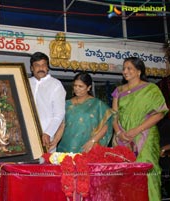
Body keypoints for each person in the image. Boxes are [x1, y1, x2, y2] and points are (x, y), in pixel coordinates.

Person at [112, 57, 168, 201]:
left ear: (139, 71)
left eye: (129, 68)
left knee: (147, 173)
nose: (125, 71)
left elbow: (160, 113)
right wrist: (119, 133)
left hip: (145, 136)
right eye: (124, 68)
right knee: (124, 176)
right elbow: (114, 115)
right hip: (122, 139)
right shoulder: (118, 91)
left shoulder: (151, 89)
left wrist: (136, 130)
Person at [52, 72, 115, 153]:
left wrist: (93, 141)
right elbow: (62, 125)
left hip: (86, 146)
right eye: (75, 85)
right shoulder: (66, 104)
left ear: (88, 88)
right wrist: (55, 142)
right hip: (66, 145)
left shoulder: (97, 104)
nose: (77, 88)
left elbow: (106, 125)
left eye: (80, 86)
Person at [28, 52, 66, 152]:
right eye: (37, 65)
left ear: (47, 67)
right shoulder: (25, 82)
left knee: (45, 165)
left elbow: (59, 114)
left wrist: (48, 133)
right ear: (31, 68)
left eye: (43, 65)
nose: (41, 68)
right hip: (27, 136)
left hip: (47, 138)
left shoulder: (56, 85)